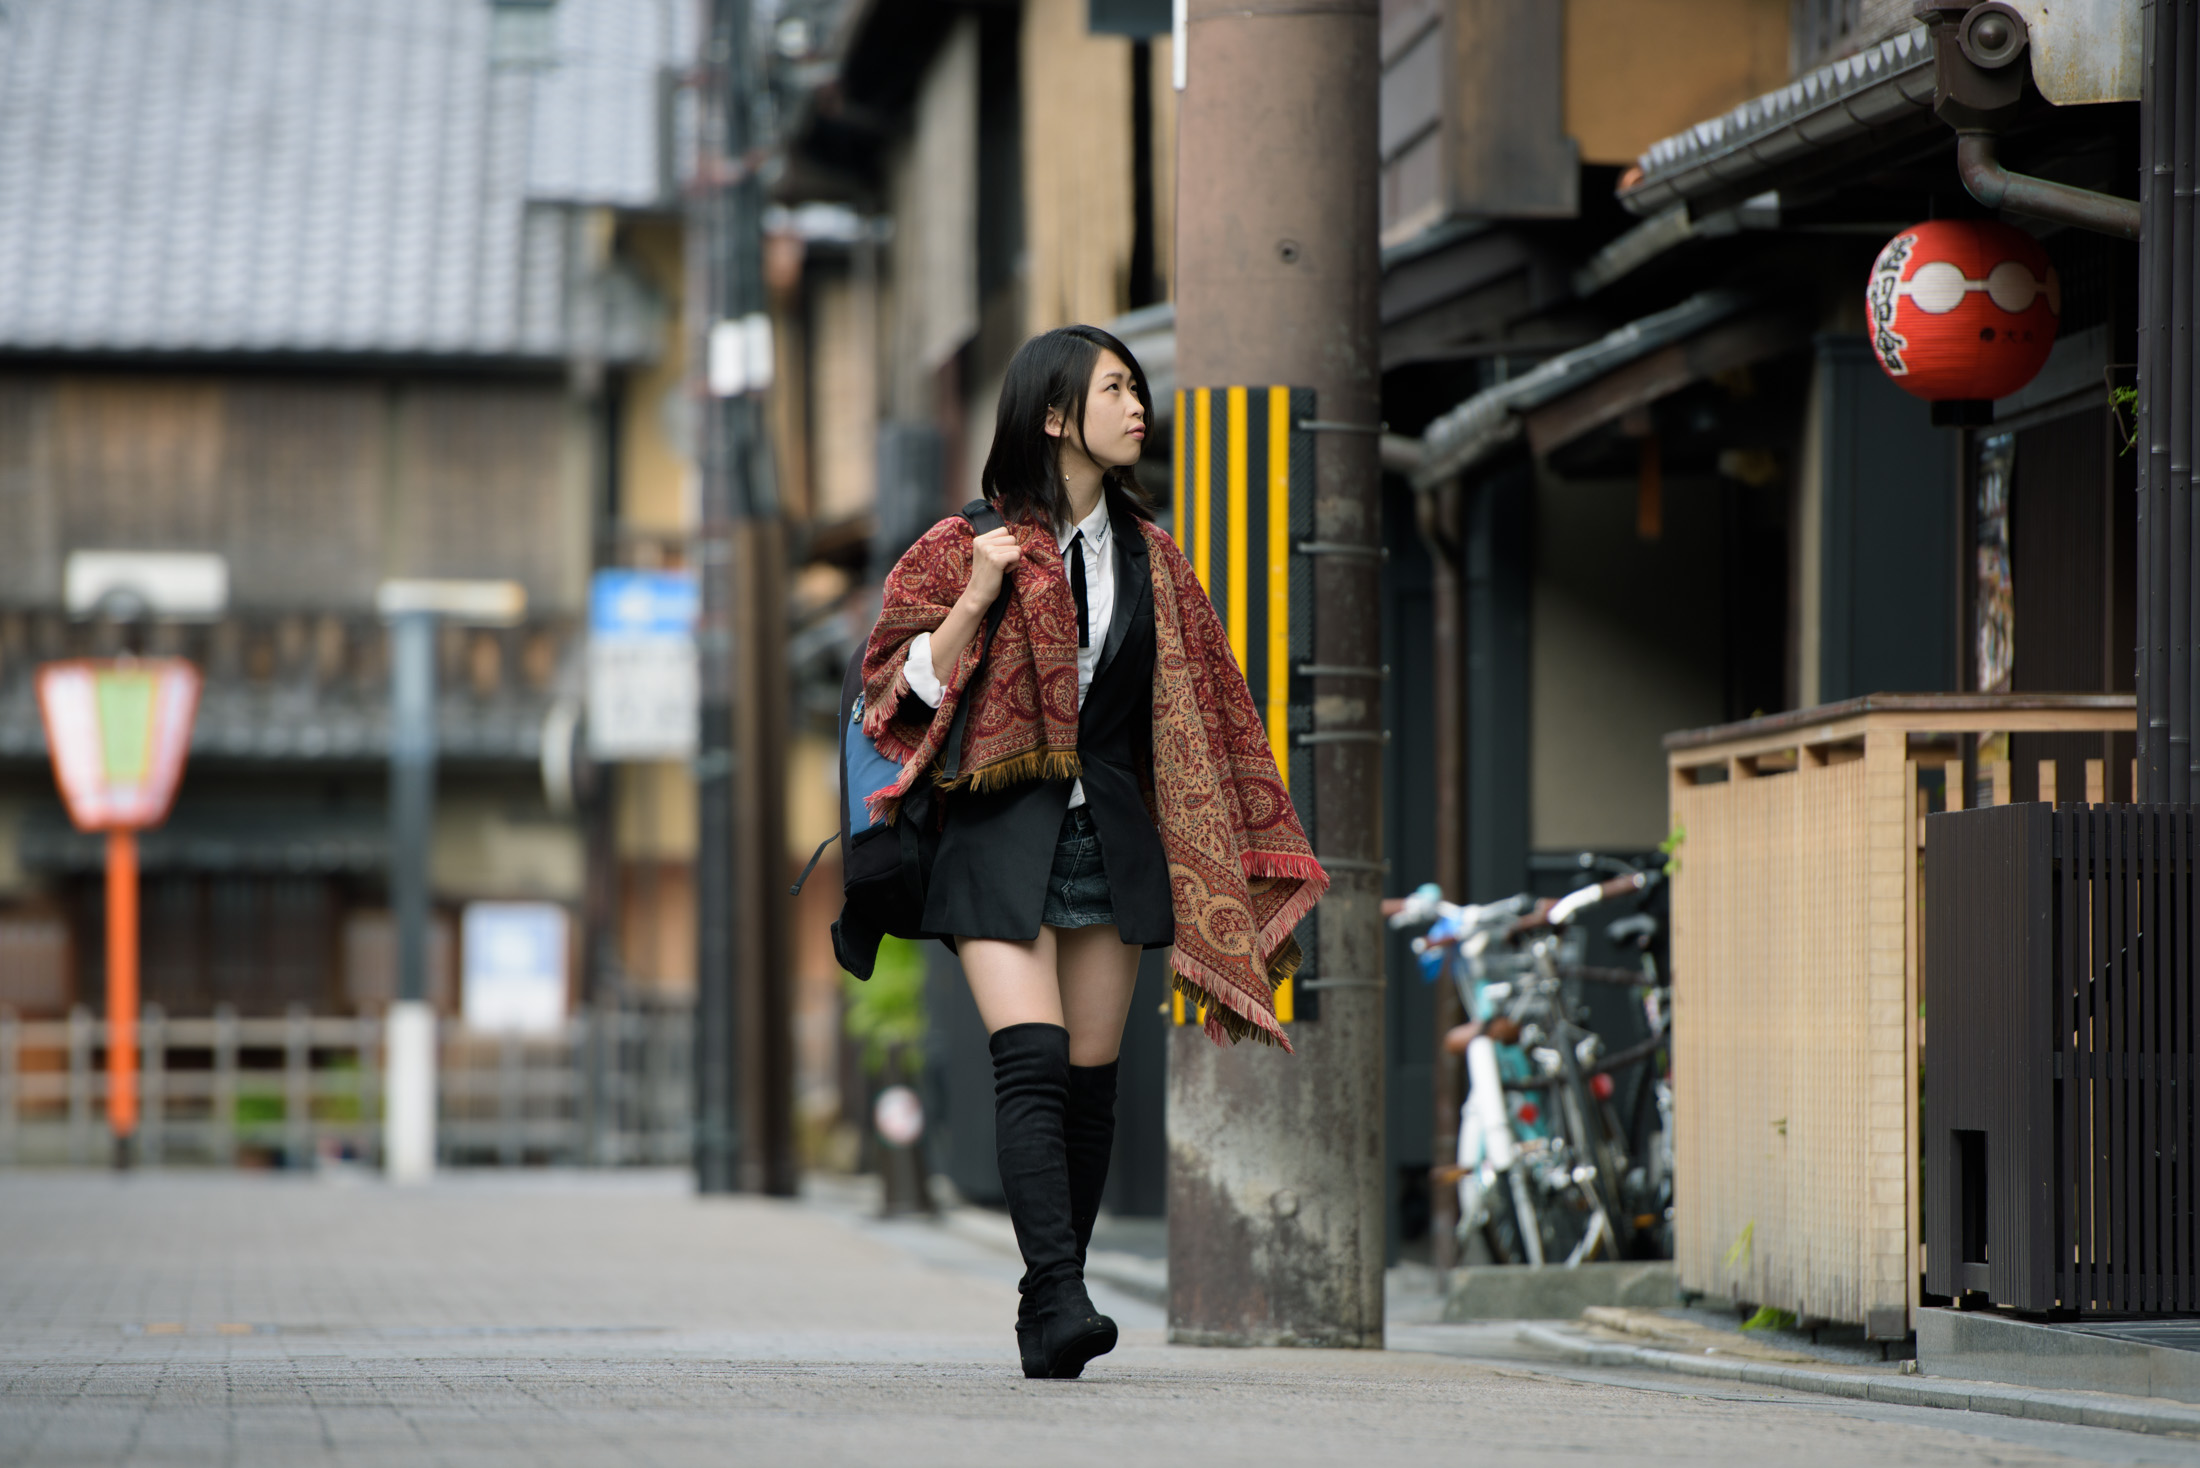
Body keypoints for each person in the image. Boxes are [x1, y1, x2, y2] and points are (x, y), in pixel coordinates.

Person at [858, 325, 1326, 1380]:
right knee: (1028, 1060)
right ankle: (1059, 1293)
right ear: (1055, 414)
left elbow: (1210, 706)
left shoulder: (1157, 559)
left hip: (1107, 839)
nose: (1137, 407)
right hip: (995, 834)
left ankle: (1047, 1311)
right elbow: (893, 696)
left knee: (1087, 1081)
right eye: (1115, 389)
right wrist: (974, 599)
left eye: (1137, 389)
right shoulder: (962, 543)